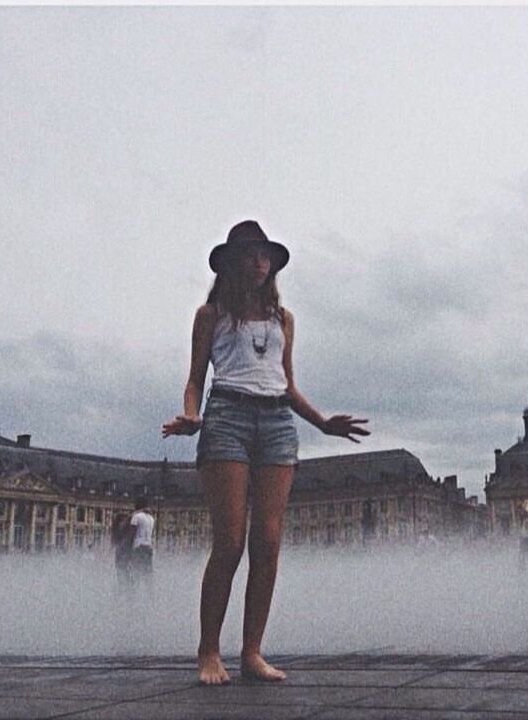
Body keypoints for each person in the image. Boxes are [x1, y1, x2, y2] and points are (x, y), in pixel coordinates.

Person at [162, 220, 369, 685]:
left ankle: (252, 652)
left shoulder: (283, 320)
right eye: (252, 254)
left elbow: (287, 384)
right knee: (231, 541)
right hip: (227, 418)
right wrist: (191, 415)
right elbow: (196, 378)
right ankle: (208, 651)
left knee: (268, 543)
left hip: (277, 422)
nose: (261, 262)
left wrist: (322, 423)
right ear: (234, 261)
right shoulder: (210, 315)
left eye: (266, 255)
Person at [129, 497, 156, 581]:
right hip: (148, 548)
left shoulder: (136, 517)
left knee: (135, 571)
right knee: (147, 573)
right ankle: (149, 592)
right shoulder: (152, 519)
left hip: (138, 547)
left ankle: (134, 591)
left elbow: (131, 533)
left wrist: (129, 548)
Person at [111, 512, 134, 591]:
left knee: (122, 575)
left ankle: (124, 591)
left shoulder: (118, 531)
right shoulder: (125, 530)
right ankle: (126, 592)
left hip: (121, 554)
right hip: (124, 554)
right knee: (125, 574)